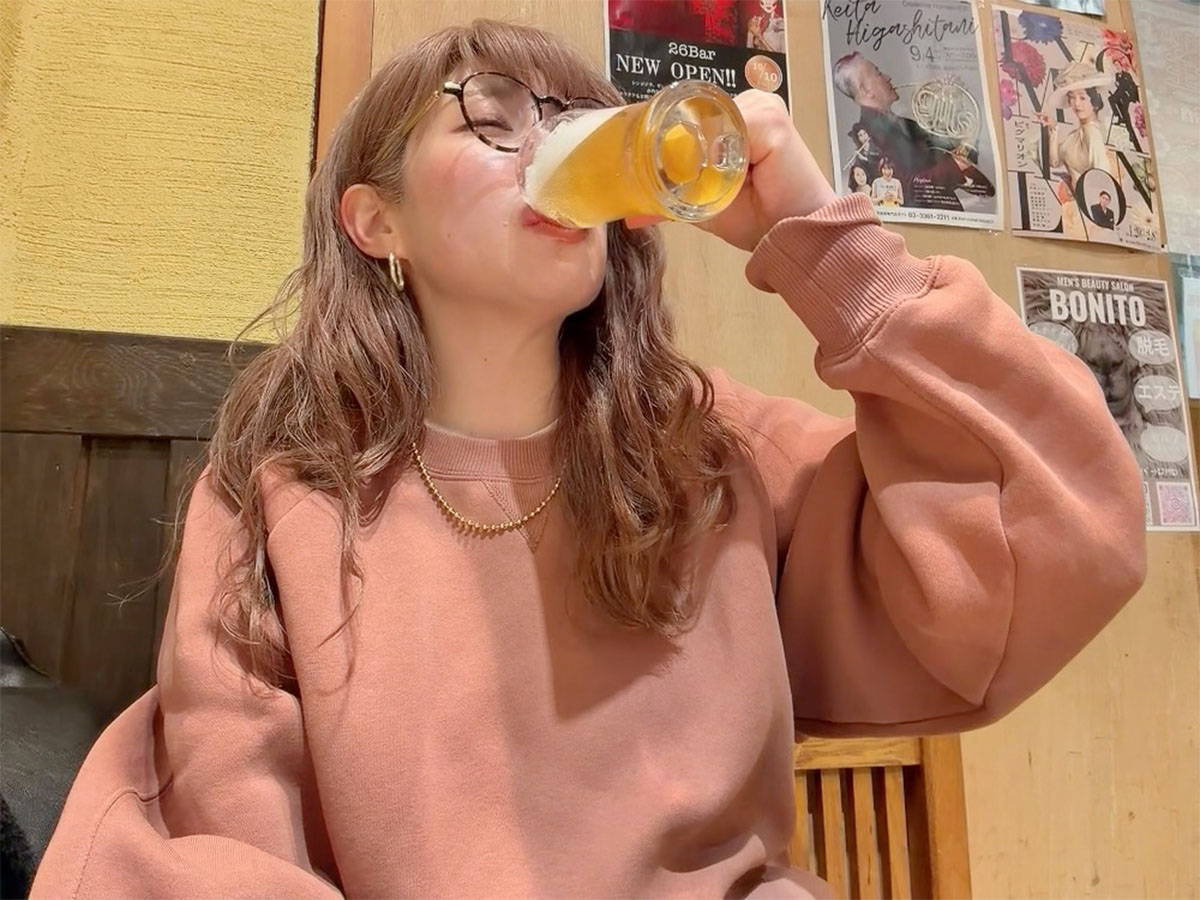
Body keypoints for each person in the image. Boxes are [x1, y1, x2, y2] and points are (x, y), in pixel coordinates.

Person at [30, 19, 1146, 900]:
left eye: (572, 119)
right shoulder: (284, 494)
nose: (552, 144)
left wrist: (829, 245)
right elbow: (235, 851)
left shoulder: (713, 457)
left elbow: (1055, 540)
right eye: (492, 121)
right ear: (377, 224)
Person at [831, 52, 994, 207]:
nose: (888, 77)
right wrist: (955, 165)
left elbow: (954, 154)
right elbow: (908, 189)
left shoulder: (904, 124)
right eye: (878, 73)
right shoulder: (867, 137)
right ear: (866, 90)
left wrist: (955, 107)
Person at [1039, 60, 1117, 188]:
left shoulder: (1092, 133)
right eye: (1072, 97)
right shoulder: (1076, 135)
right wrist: (1053, 127)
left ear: (1094, 101)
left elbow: (1102, 176)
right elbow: (1054, 162)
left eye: (1082, 98)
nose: (1076, 104)